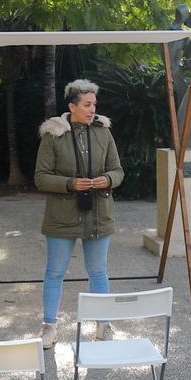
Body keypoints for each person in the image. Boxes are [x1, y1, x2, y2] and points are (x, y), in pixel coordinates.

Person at [35, 78, 124, 342]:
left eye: (94, 104)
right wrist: (70, 184)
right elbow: (40, 178)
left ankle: (103, 325)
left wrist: (107, 180)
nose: (92, 109)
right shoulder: (53, 135)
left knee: (99, 272)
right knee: (55, 272)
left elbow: (118, 171)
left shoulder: (103, 131)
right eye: (86, 104)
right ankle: (49, 327)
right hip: (61, 215)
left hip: (99, 213)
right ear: (72, 106)